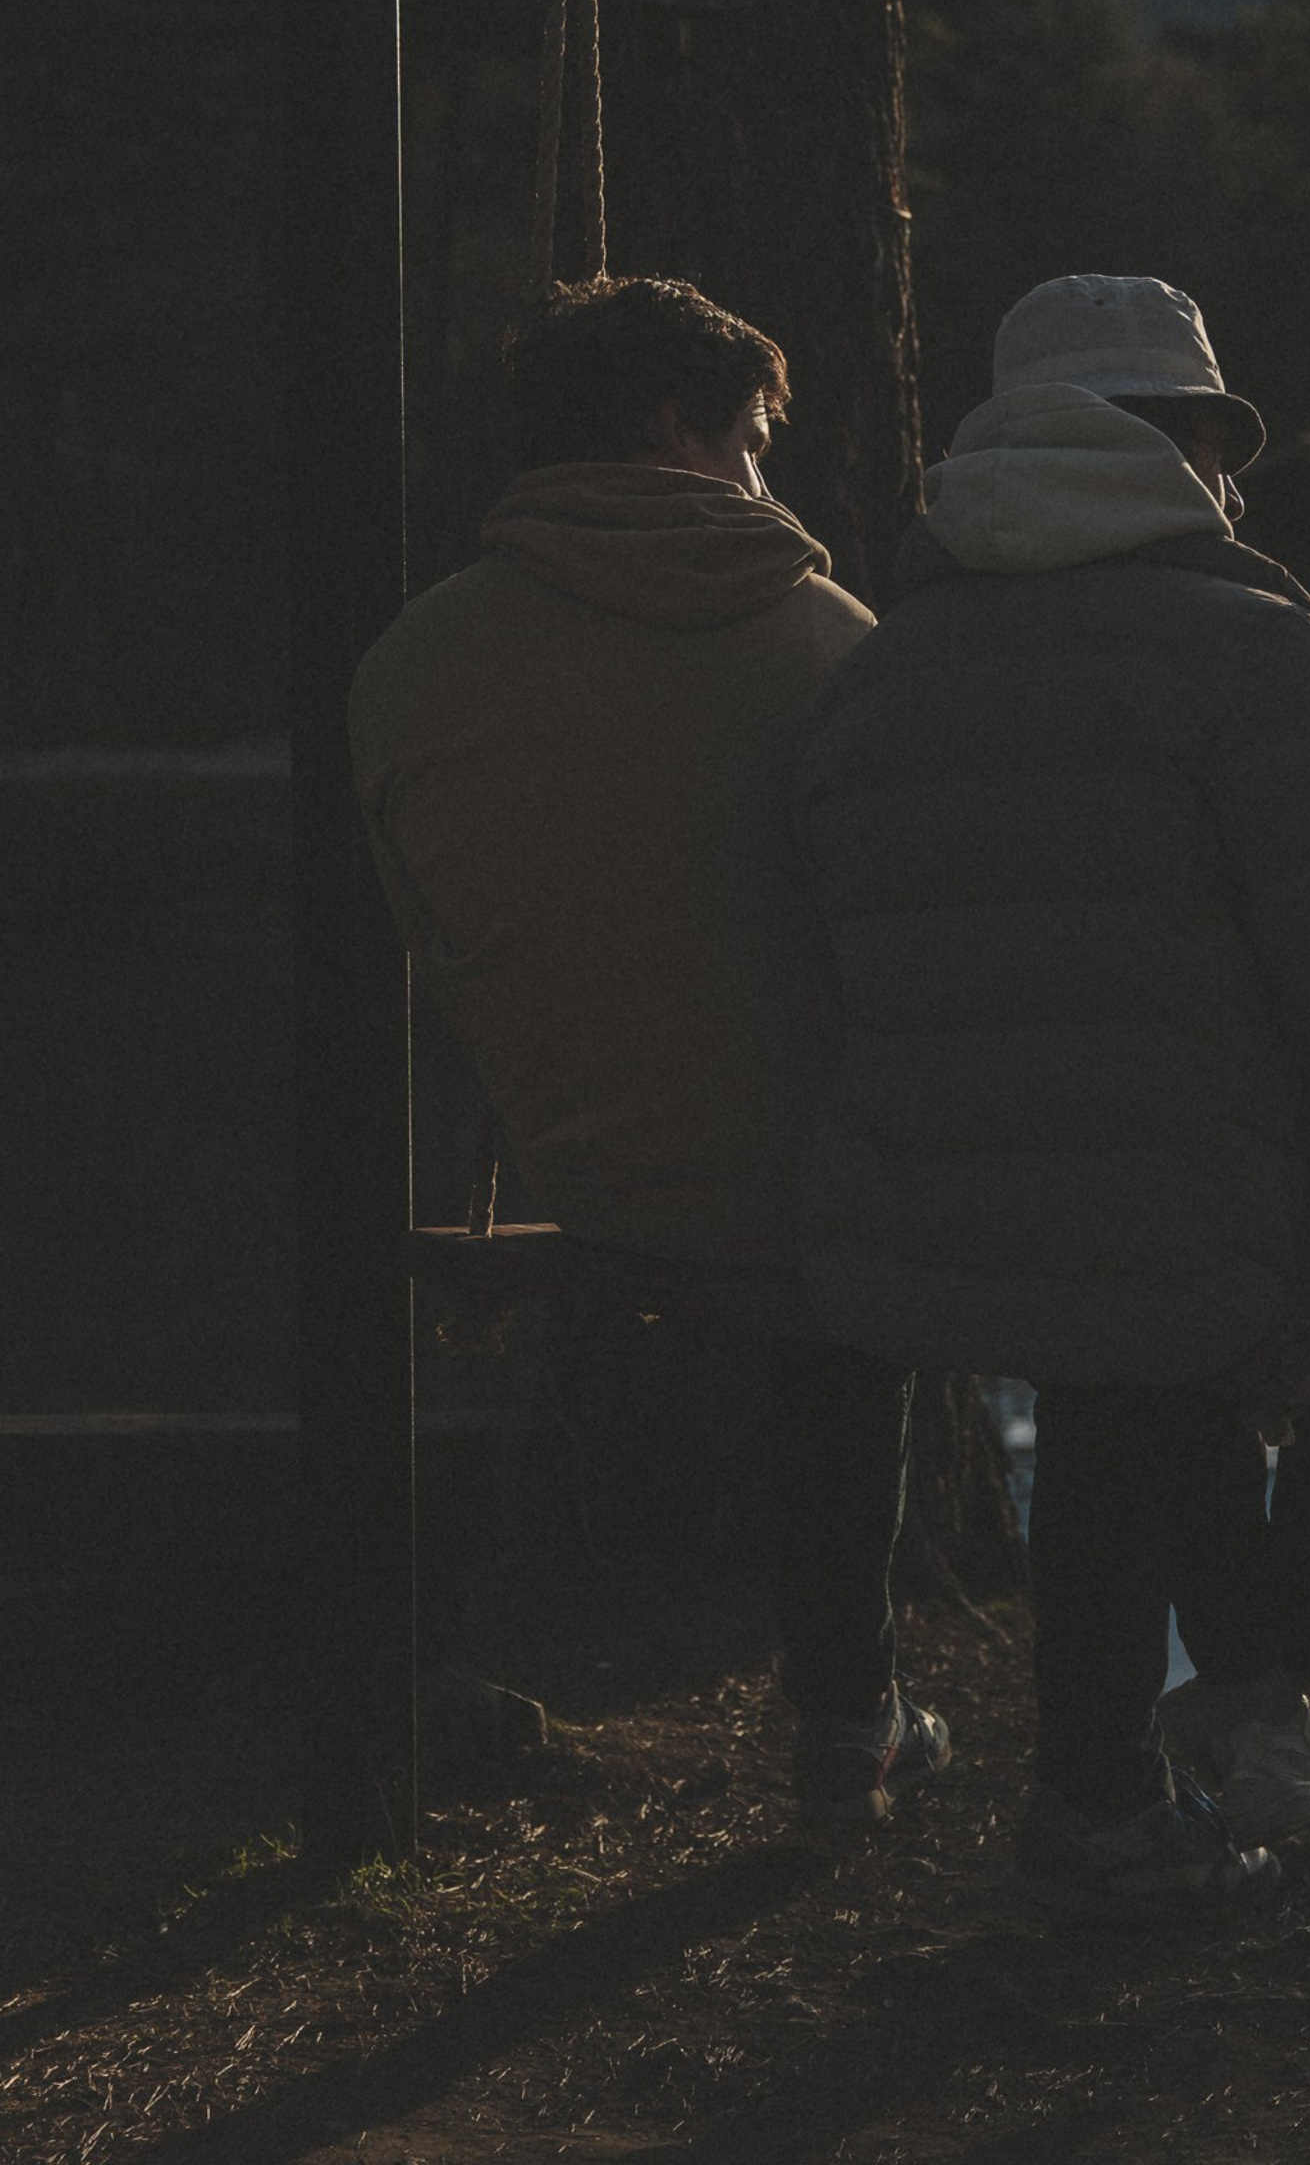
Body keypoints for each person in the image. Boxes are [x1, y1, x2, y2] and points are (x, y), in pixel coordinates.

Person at [791, 273, 1310, 1920]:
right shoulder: (1247, 646)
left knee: (1127, 1317)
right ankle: (1247, 1702)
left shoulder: (882, 663)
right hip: (1152, 1214)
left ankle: (1133, 1762)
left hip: (917, 1196)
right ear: (1181, 451)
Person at [349, 274, 947, 1829]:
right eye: (754, 435)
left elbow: (428, 928)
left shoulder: (415, 660)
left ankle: (464, 1646)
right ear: (681, 427)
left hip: (580, 1160)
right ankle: (846, 1710)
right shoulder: (834, 645)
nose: (768, 474)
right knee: (853, 1298)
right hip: (810, 1184)